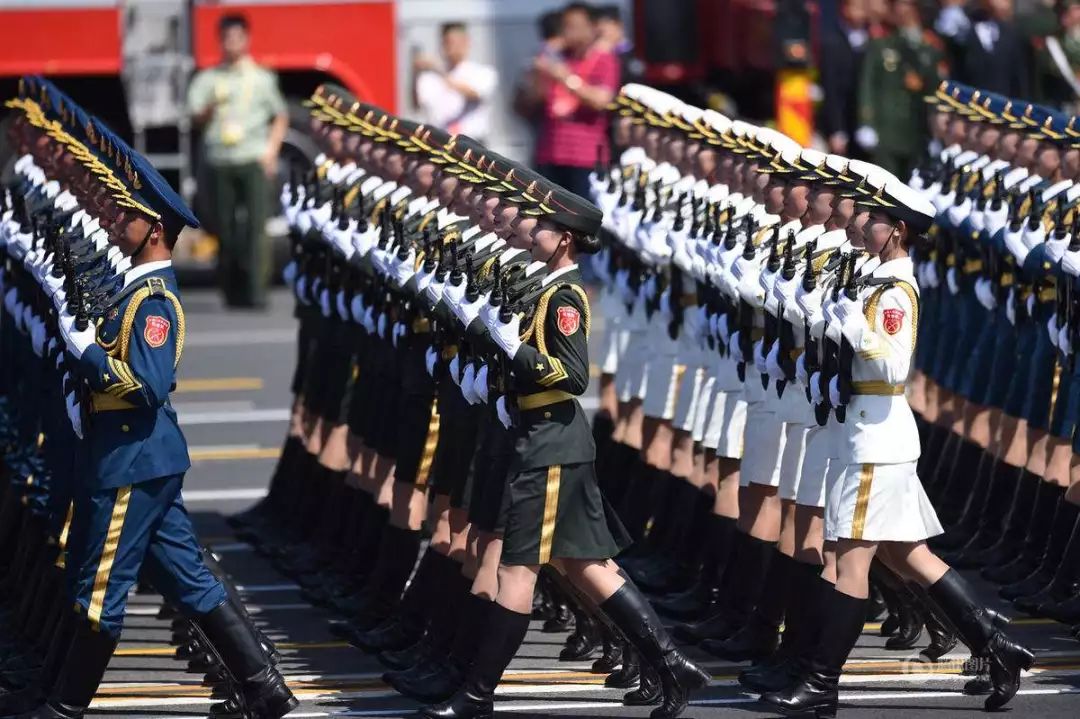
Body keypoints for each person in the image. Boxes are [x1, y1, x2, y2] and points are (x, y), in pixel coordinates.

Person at [0, 76, 296, 719]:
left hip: (132, 457)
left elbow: (147, 384)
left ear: (154, 229)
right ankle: (263, 688)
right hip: (135, 456)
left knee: (98, 584)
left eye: (127, 213)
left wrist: (87, 356)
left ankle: (66, 706)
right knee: (185, 574)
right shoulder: (133, 288)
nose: (115, 218)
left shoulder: (153, 301)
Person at [187, 13, 288, 309]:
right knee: (223, 226)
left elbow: (280, 115)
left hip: (252, 157)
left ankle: (257, 291)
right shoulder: (208, 78)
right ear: (220, 41)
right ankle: (231, 290)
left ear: (246, 39)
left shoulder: (261, 78)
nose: (232, 43)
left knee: (257, 227)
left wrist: (271, 151)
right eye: (227, 37)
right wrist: (209, 108)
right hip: (220, 158)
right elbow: (195, 118)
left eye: (237, 37)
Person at [527, 2, 620, 200]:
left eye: (575, 25)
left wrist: (565, 79)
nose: (568, 31)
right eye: (566, 26)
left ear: (592, 27)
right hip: (549, 153)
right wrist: (539, 71)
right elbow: (531, 101)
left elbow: (601, 100)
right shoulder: (558, 57)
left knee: (583, 223)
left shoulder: (604, 58)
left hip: (584, 158)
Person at [856, 0, 947, 178]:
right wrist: (866, 122)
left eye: (909, 6)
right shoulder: (881, 46)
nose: (904, 11)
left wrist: (937, 131)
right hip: (886, 128)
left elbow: (934, 90)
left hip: (916, 130)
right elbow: (867, 85)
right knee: (885, 185)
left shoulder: (928, 49)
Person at [413, 23, 498, 144]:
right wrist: (415, 73)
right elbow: (417, 104)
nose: (452, 47)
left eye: (457, 42)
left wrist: (440, 71)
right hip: (440, 140)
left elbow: (473, 93)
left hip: (472, 142)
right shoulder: (430, 77)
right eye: (448, 42)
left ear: (467, 42)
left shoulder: (482, 72)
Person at [934, 0, 1030, 98]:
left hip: (1005, 105)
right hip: (971, 103)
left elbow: (1020, 78)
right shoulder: (961, 31)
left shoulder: (1010, 34)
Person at [820, 0, 871, 157]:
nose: (860, 12)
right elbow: (831, 89)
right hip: (843, 122)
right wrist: (836, 129)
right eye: (856, 7)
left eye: (863, 7)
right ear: (845, 9)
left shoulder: (873, 40)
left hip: (865, 123)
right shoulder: (832, 42)